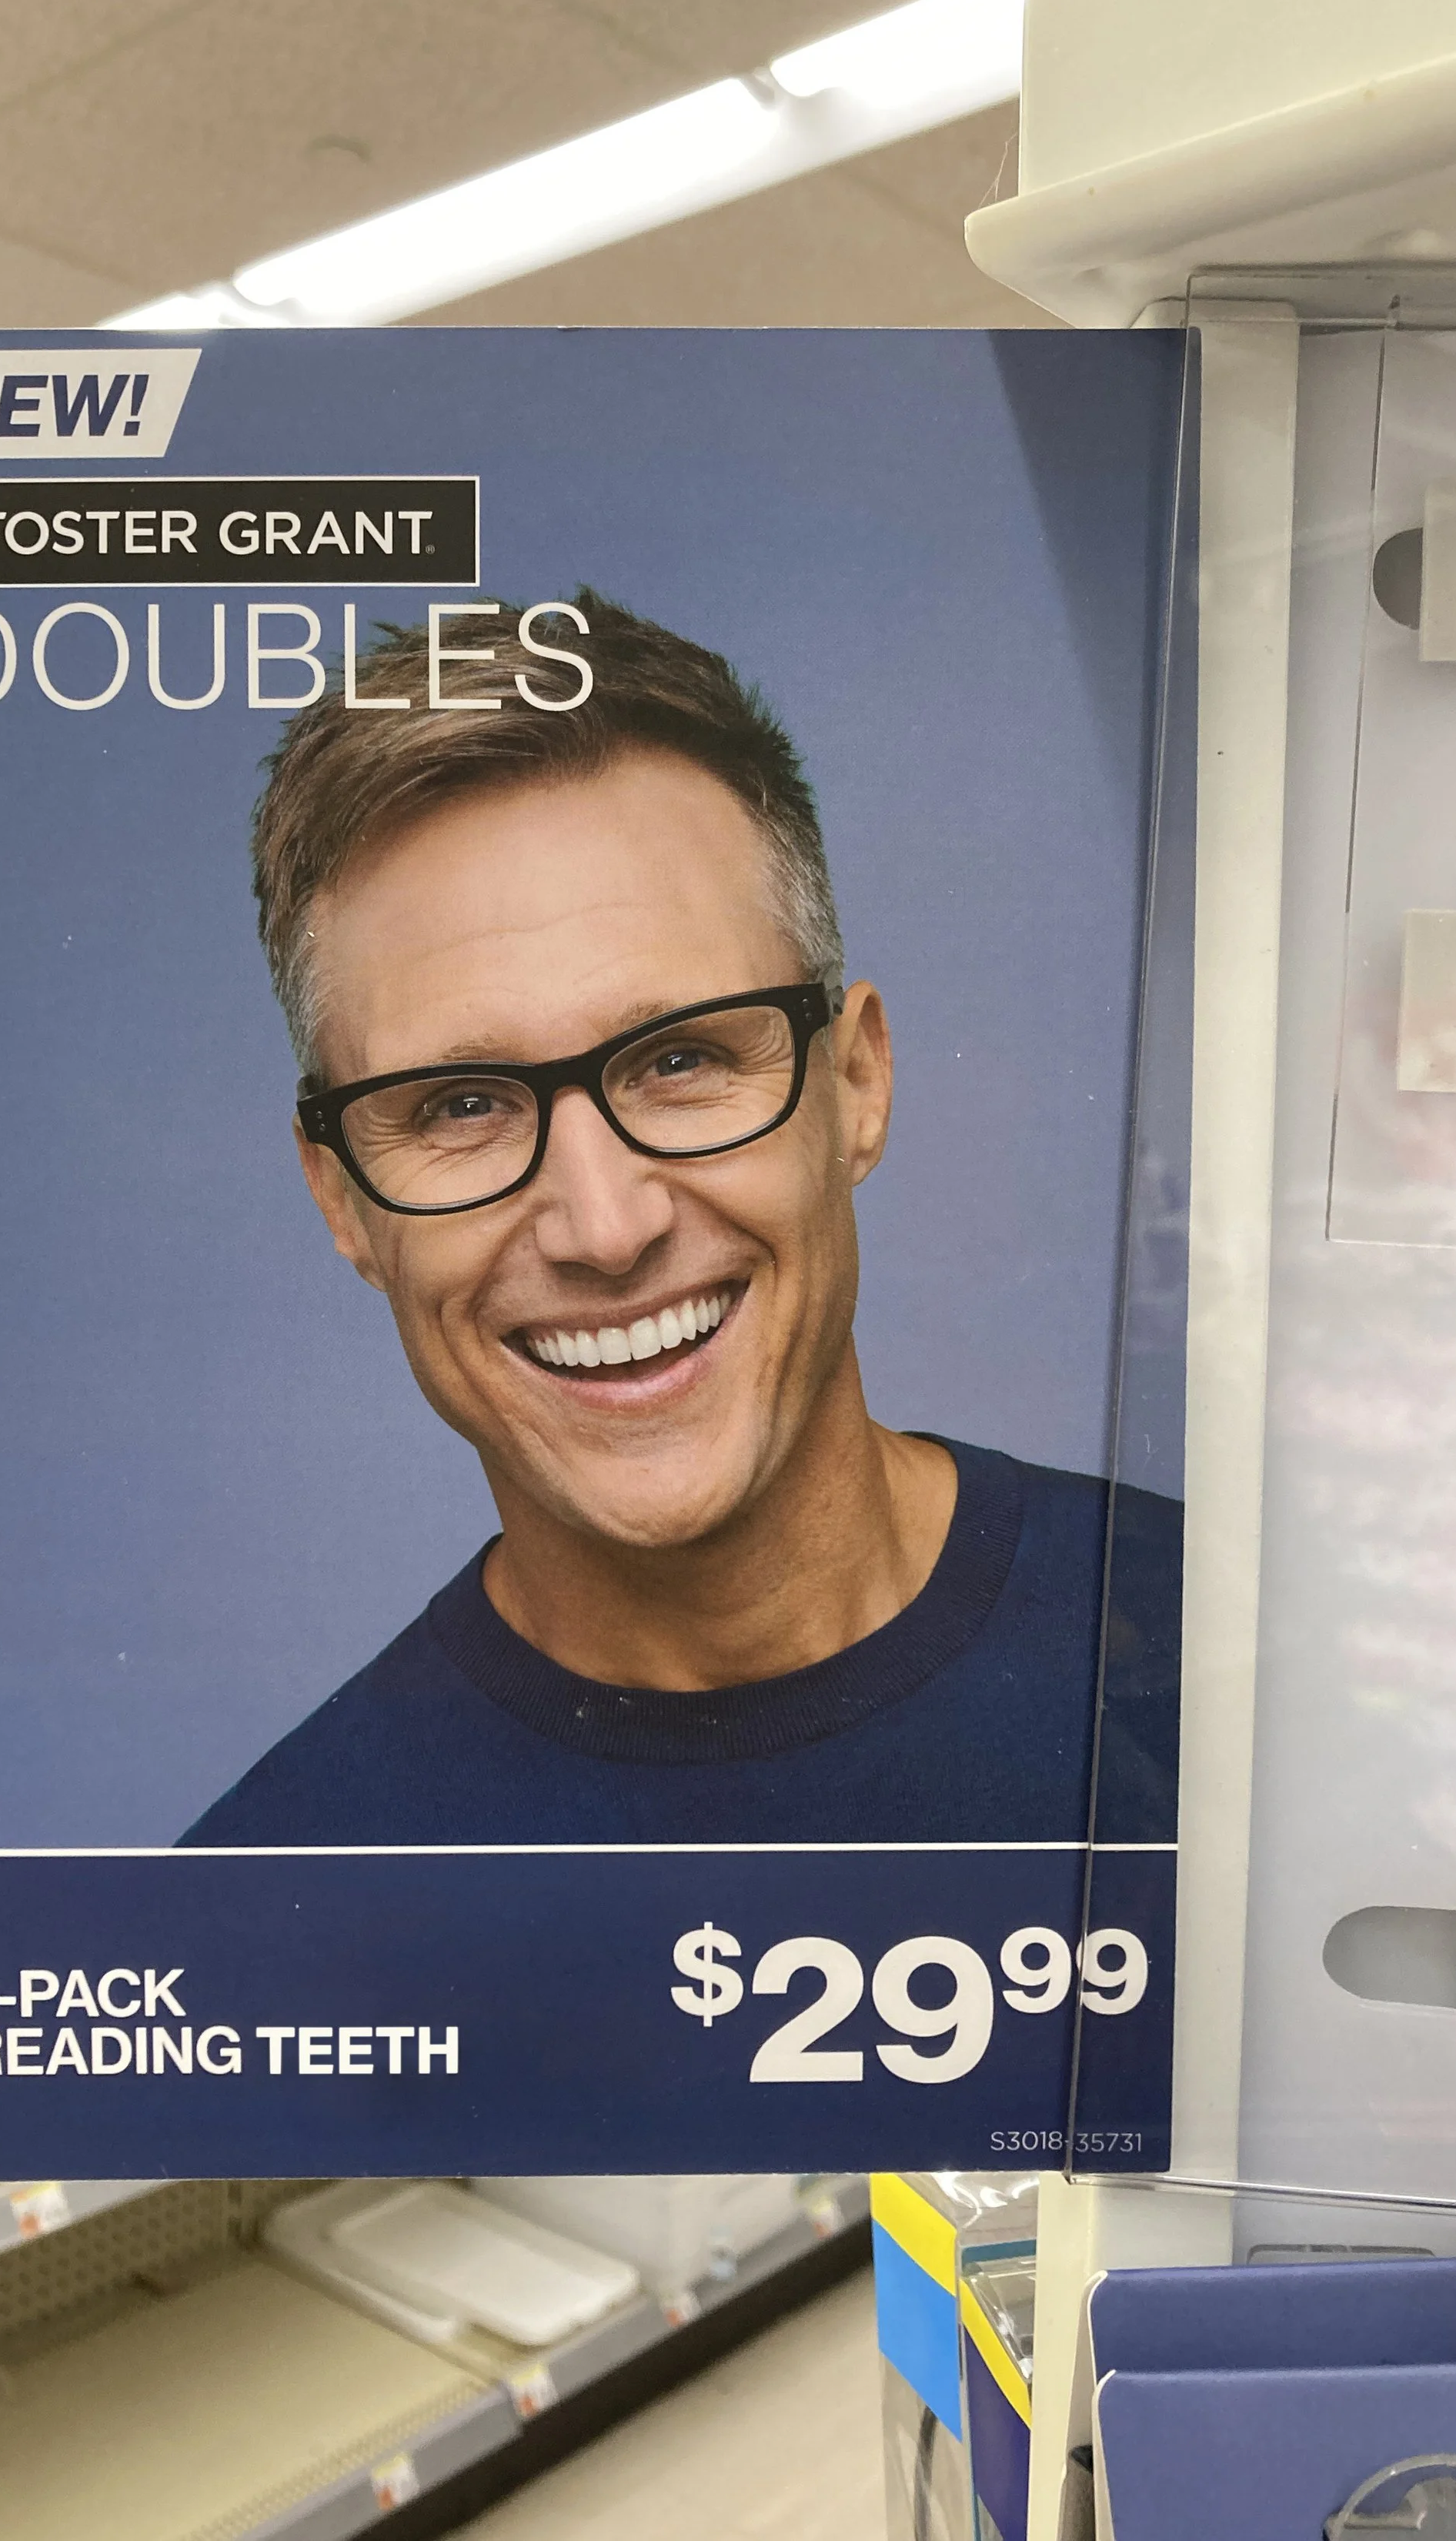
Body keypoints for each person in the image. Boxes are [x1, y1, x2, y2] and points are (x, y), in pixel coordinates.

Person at [181, 593, 1177, 1849]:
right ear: (343, 1199)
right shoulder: (255, 1916)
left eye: (681, 1061)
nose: (604, 1226)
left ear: (856, 1082)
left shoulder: (1243, 1669)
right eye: (464, 1104)